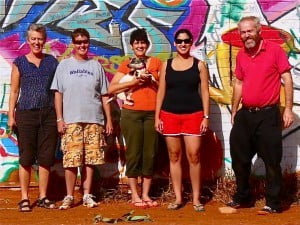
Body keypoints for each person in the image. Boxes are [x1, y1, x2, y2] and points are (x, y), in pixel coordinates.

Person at [228, 16, 294, 215]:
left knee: (272, 160)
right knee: (239, 158)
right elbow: (239, 83)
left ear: (259, 31)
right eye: (243, 32)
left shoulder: (275, 51)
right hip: (246, 114)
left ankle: (273, 203)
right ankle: (243, 196)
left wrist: (288, 109)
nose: (246, 35)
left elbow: (286, 78)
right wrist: (234, 109)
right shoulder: (241, 55)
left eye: (250, 31)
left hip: (268, 114)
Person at [50, 28, 113, 210]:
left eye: (85, 41)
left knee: (90, 160)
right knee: (72, 160)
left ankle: (86, 194)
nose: (82, 45)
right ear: (73, 44)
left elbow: (104, 95)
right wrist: (59, 119)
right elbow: (58, 94)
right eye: (78, 42)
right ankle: (69, 195)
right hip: (71, 121)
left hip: (94, 119)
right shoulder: (64, 66)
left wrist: (108, 120)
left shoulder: (96, 66)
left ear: (89, 43)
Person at [155, 29, 210, 212]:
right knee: (174, 156)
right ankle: (178, 198)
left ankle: (196, 199)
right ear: (175, 43)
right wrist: (157, 116)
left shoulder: (199, 65)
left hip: (194, 115)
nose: (183, 44)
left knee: (194, 156)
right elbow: (161, 91)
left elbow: (205, 92)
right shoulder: (166, 65)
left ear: (191, 42)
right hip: (169, 115)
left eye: (186, 41)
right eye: (179, 41)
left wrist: (206, 116)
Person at [108, 28, 162, 208]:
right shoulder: (127, 64)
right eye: (137, 43)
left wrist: (152, 78)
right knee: (133, 153)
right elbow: (112, 88)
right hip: (131, 114)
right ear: (132, 46)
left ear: (147, 45)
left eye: (143, 42)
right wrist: (134, 81)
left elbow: (164, 86)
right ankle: (135, 195)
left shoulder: (156, 63)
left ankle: (146, 194)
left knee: (150, 154)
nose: (140, 45)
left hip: (152, 114)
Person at [8, 24, 58, 212]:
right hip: (26, 114)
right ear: (28, 41)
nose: (37, 42)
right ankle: (24, 198)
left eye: (40, 39)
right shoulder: (19, 62)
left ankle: (43, 196)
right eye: (33, 39)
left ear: (44, 41)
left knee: (46, 158)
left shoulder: (52, 62)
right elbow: (14, 91)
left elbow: (58, 90)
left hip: (48, 114)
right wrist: (11, 115)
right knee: (26, 157)